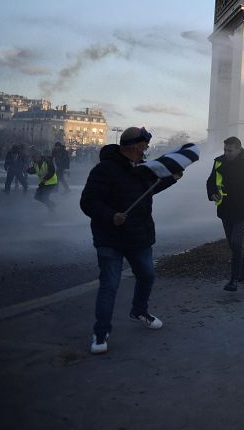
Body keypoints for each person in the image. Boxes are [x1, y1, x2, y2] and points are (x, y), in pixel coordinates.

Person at [80, 126, 180, 355]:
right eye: (145, 145)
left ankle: (139, 311)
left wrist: (172, 179)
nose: (147, 148)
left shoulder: (142, 168)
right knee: (109, 285)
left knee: (147, 275)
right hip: (110, 238)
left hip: (138, 236)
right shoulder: (104, 170)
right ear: (135, 146)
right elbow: (88, 201)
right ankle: (101, 332)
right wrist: (111, 216)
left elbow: (149, 189)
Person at [206, 136, 244, 292]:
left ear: (239, 149)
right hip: (225, 209)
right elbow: (211, 181)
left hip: (242, 210)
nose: (226, 153)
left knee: (236, 243)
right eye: (225, 150)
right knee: (232, 244)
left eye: (230, 150)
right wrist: (212, 193)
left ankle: (234, 279)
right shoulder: (219, 162)